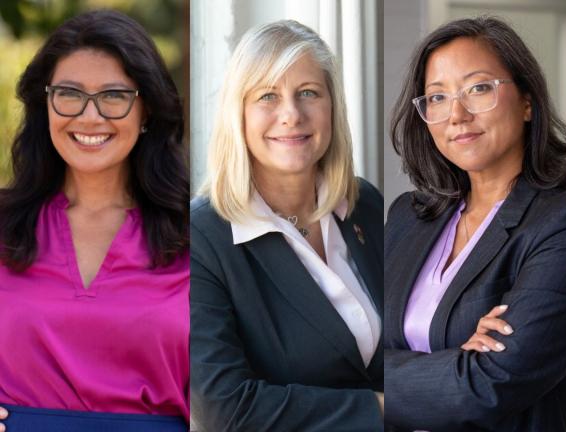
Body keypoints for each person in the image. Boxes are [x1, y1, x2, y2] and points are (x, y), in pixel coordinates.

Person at [0, 9, 189, 432]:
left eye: (114, 96)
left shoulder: (197, 234)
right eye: (69, 93)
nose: (90, 117)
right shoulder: (3, 224)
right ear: (44, 104)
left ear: (147, 113)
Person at [190, 20, 384, 431]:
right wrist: (383, 409)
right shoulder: (200, 239)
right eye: (267, 96)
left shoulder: (364, 205)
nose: (291, 115)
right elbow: (224, 411)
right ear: (237, 114)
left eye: (308, 93)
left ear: (332, 105)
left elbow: (408, 335)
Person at [384, 16, 566, 431]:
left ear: (526, 101)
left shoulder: (562, 222)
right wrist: (456, 361)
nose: (457, 114)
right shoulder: (408, 216)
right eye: (436, 97)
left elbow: (488, 386)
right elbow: (348, 351)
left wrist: (375, 382)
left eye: (478, 88)